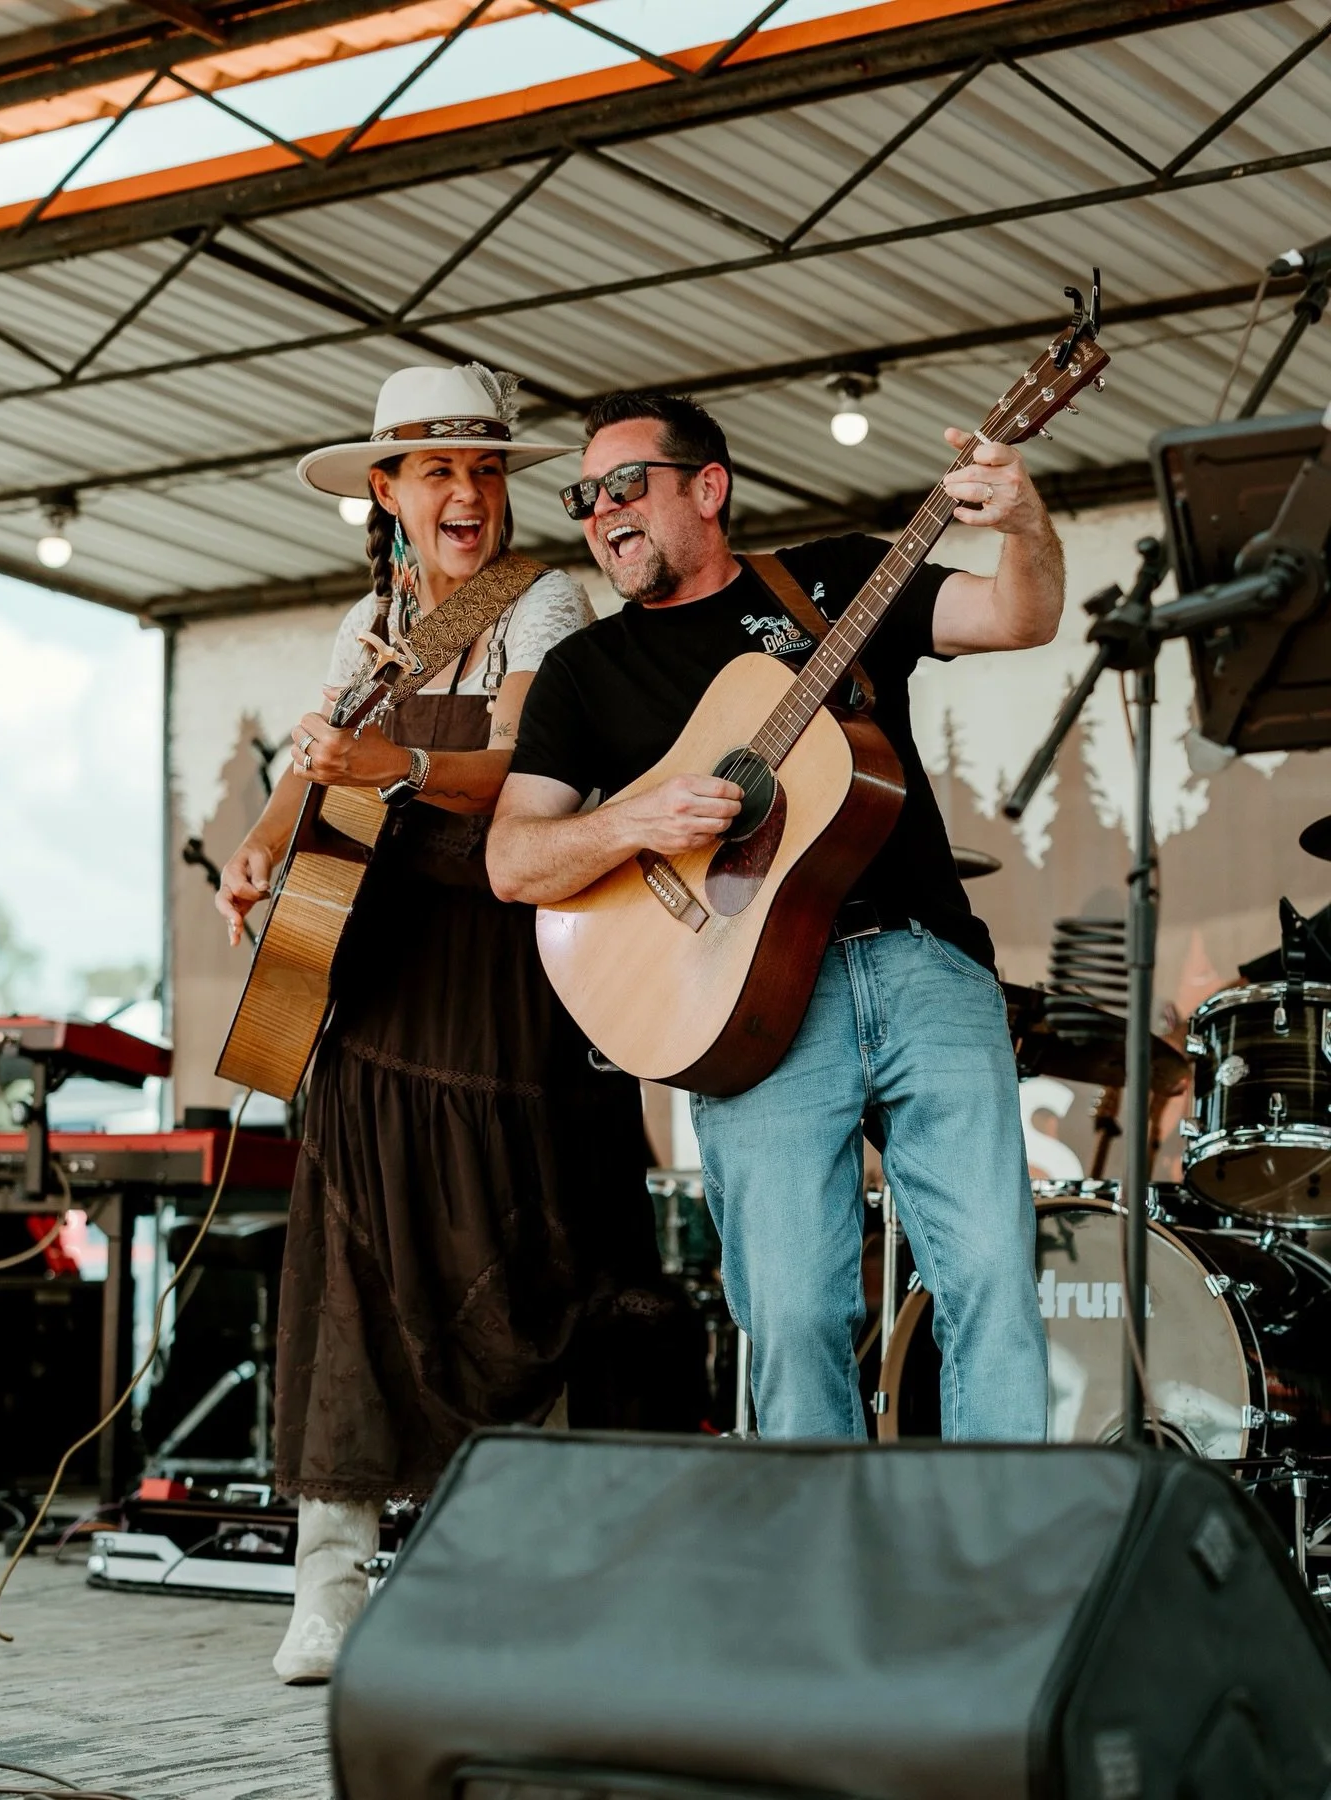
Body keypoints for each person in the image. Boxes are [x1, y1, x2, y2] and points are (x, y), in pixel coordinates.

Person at [486, 389, 1058, 1445]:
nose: (599, 509)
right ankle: (825, 1586)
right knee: (791, 1317)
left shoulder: (833, 581)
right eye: (582, 495)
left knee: (991, 1280)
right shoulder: (583, 675)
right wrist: (635, 822)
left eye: (626, 484)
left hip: (923, 961)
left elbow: (1019, 617)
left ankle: (1005, 1575)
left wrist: (1024, 525)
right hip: (743, 1006)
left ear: (709, 488)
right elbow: (515, 860)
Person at [216, 364, 657, 1684]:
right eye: (437, 471)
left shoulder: (546, 601)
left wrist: (394, 765)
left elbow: (527, 770)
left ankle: (528, 1573)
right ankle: (330, 1582)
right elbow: (315, 786)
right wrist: (254, 853)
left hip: (500, 972)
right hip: (368, 979)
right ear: (386, 492)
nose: (467, 492)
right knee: (342, 1262)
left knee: (513, 1258)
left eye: (484, 468)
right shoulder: (368, 622)